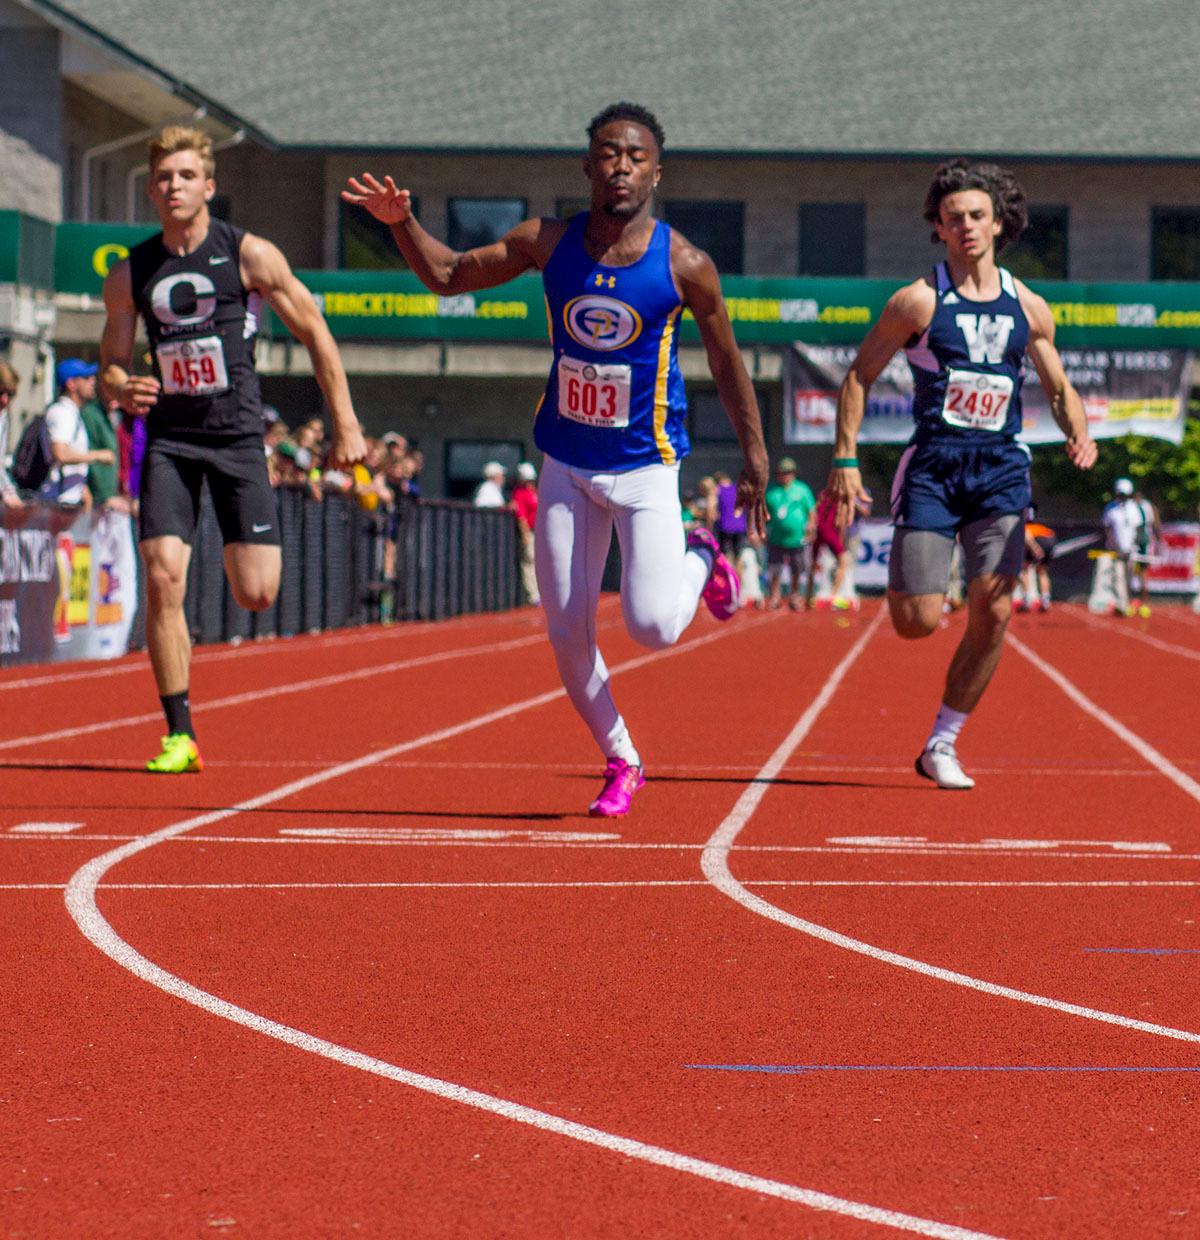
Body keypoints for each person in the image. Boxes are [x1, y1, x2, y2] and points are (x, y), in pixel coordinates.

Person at [343, 100, 768, 816]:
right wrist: (401, 223)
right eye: (609, 153)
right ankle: (622, 757)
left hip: (645, 467)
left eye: (636, 156)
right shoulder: (546, 241)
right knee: (567, 631)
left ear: (656, 173)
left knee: (655, 627)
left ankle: (702, 557)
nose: (621, 166)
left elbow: (726, 362)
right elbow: (449, 275)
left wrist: (755, 455)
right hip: (566, 464)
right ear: (587, 167)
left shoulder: (686, 264)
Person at [826, 157, 1097, 790]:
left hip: (1001, 469)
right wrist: (844, 458)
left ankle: (942, 741)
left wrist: (1077, 431)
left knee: (995, 611)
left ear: (999, 224)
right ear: (939, 228)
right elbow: (859, 375)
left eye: (977, 215)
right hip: (934, 467)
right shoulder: (918, 300)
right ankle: (921, 588)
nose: (966, 226)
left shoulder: (1029, 307)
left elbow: (1060, 387)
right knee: (916, 621)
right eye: (954, 218)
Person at [101, 124, 365, 774]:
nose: (174, 187)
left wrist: (345, 423)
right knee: (162, 574)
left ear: (208, 186)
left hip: (237, 436)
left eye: (186, 176)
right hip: (169, 439)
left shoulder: (249, 255)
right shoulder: (130, 271)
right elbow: (110, 364)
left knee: (256, 592)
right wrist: (122, 386)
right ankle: (180, 734)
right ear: (152, 190)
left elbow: (315, 331)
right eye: (164, 178)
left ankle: (230, 553)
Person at [42, 360, 115, 507]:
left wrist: (82, 490)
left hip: (67, 501)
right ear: (71, 384)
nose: (93, 381)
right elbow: (61, 454)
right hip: (57, 503)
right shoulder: (62, 412)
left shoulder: (72, 412)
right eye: (86, 378)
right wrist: (99, 455)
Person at [763, 456, 815, 611]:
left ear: (793, 473)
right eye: (782, 472)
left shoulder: (802, 489)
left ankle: (794, 596)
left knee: (796, 569)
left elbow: (812, 511)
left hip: (797, 538)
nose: (785, 475)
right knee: (775, 569)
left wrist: (811, 527)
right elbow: (764, 512)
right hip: (776, 538)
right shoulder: (771, 491)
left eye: (788, 472)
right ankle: (775, 596)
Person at [1102, 477, 1143, 617]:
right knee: (1118, 577)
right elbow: (1108, 528)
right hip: (1116, 550)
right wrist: (1114, 547)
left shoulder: (1134, 508)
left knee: (1129, 578)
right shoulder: (1110, 508)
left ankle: (1128, 601)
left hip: (1131, 550)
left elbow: (1138, 528)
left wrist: (1133, 546)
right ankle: (1121, 604)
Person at [512, 461, 540, 605]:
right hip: (530, 532)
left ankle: (539, 592)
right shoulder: (520, 493)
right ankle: (533, 595)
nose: (530, 483)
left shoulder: (534, 492)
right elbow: (521, 516)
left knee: (539, 562)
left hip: (539, 531)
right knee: (529, 561)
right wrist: (525, 534)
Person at [1017, 507, 1055, 613]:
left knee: (1024, 569)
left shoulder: (1023, 526)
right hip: (1050, 539)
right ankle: (1045, 601)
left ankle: (1026, 601)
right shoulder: (1040, 526)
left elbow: (1027, 536)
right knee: (1042, 571)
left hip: (1036, 540)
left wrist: (1035, 548)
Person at [1131, 487, 1161, 618]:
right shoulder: (1129, 506)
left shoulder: (1148, 506)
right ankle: (1130, 601)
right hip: (1132, 543)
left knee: (1143, 573)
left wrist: (1158, 542)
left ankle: (1144, 602)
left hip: (1144, 543)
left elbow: (1156, 524)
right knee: (1130, 571)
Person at [0, 362, 25, 511]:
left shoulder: (3, 417)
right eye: (0, 393)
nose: (5, 400)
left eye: (10, 394)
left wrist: (10, 490)